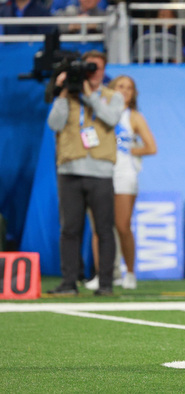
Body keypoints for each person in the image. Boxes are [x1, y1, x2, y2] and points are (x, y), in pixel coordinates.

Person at [47, 50, 124, 295]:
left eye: (96, 67)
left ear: (102, 71)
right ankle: (69, 282)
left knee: (104, 228)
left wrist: (89, 96)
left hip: (100, 171)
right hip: (69, 169)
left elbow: (111, 118)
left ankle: (105, 284)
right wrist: (61, 91)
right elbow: (54, 124)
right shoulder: (67, 97)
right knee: (69, 229)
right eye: (88, 68)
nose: (92, 72)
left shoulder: (113, 97)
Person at [85, 75, 157, 291]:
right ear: (111, 89)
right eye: (120, 86)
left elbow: (151, 147)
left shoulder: (133, 116)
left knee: (122, 226)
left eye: (129, 88)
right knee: (99, 227)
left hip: (124, 174)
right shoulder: (100, 113)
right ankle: (103, 274)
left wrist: (128, 149)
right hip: (100, 172)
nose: (125, 90)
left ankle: (130, 273)